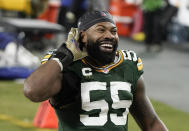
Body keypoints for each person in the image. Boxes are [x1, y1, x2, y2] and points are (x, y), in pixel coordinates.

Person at [24, 10, 168, 131]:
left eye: (114, 31)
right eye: (100, 30)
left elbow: (151, 123)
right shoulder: (68, 67)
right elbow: (32, 91)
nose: (109, 35)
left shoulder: (128, 65)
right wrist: (64, 56)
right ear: (82, 36)